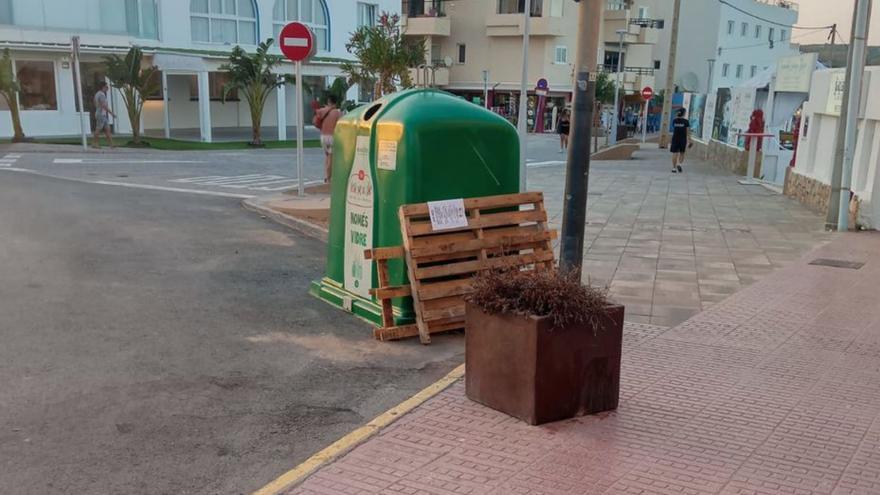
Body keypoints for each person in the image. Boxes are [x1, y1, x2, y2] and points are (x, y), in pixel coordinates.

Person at [313, 95, 342, 183]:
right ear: (336, 103)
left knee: (327, 156)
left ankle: (327, 176)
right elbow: (341, 125)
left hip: (323, 136)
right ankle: (328, 178)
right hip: (331, 137)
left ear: (328, 102)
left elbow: (315, 121)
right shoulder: (337, 113)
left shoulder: (322, 110)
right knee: (330, 157)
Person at [92, 82, 116, 149]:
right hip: (101, 114)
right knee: (98, 129)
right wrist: (112, 113)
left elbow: (95, 103)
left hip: (102, 114)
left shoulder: (97, 94)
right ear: (103, 87)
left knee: (108, 129)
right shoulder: (101, 95)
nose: (107, 88)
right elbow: (104, 106)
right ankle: (95, 143)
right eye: (106, 87)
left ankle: (111, 144)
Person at [670, 107, 692, 173]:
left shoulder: (674, 121)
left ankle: (674, 168)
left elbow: (674, 127)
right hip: (683, 139)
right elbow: (688, 131)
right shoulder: (686, 121)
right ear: (684, 113)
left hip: (675, 139)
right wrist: (690, 140)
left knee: (675, 153)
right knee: (682, 152)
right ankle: (679, 164)